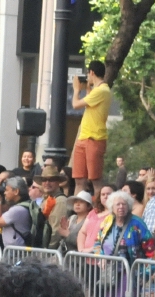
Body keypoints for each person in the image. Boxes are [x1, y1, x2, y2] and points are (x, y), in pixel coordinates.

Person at [69, 60, 111, 196]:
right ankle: (77, 212)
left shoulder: (102, 90)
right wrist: (87, 88)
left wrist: (76, 90)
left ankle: (99, 210)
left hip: (94, 138)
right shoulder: (97, 91)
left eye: (88, 73)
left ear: (91, 72)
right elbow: (89, 103)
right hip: (84, 137)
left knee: (95, 179)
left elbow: (76, 105)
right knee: (79, 180)